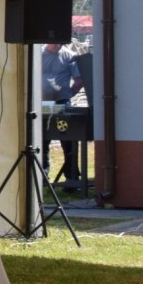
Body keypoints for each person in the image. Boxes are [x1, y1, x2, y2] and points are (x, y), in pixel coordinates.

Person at [41, 41, 84, 181]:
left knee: (68, 140)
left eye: (61, 42)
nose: (58, 45)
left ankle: (71, 177)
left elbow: (79, 80)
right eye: (55, 42)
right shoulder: (38, 55)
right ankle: (43, 177)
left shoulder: (69, 56)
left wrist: (69, 94)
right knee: (42, 139)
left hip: (61, 104)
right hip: (42, 104)